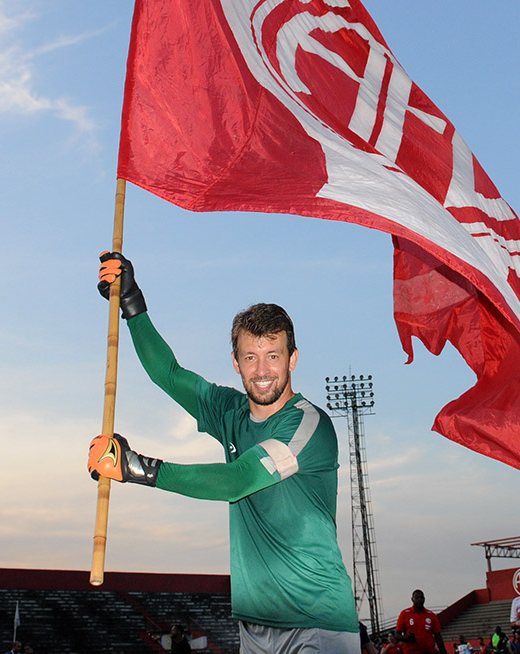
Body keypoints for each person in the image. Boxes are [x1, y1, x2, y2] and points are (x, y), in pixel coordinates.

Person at [88, 252, 358, 653]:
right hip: (254, 625)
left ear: (293, 360)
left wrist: (137, 468)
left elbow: (238, 481)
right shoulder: (229, 411)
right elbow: (169, 375)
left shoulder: (309, 425)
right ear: (236, 362)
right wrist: (132, 303)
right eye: (251, 357)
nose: (262, 370)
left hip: (317, 622)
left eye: (273, 356)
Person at [395, 589, 447, 654]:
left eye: (421, 597)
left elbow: (438, 636)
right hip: (411, 651)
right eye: (416, 597)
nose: (419, 599)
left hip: (428, 651)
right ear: (412, 599)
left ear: (424, 599)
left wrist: (443, 651)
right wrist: (406, 638)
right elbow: (397, 635)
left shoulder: (431, 615)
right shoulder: (405, 614)